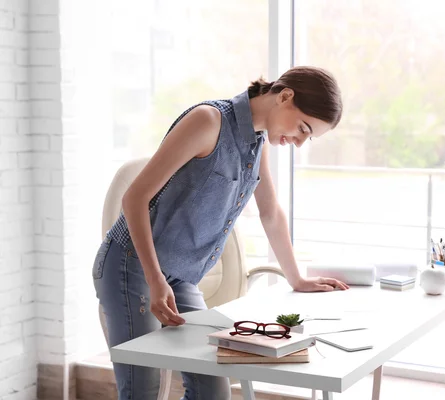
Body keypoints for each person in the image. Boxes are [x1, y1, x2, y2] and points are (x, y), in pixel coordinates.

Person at [92, 65, 350, 400]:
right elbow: (134, 198)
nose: (299, 143)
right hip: (130, 267)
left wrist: (296, 279)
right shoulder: (208, 121)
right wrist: (155, 280)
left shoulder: (258, 141)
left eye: (308, 137)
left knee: (213, 387)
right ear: (285, 96)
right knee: (144, 391)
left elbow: (270, 213)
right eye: (303, 128)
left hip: (178, 277)